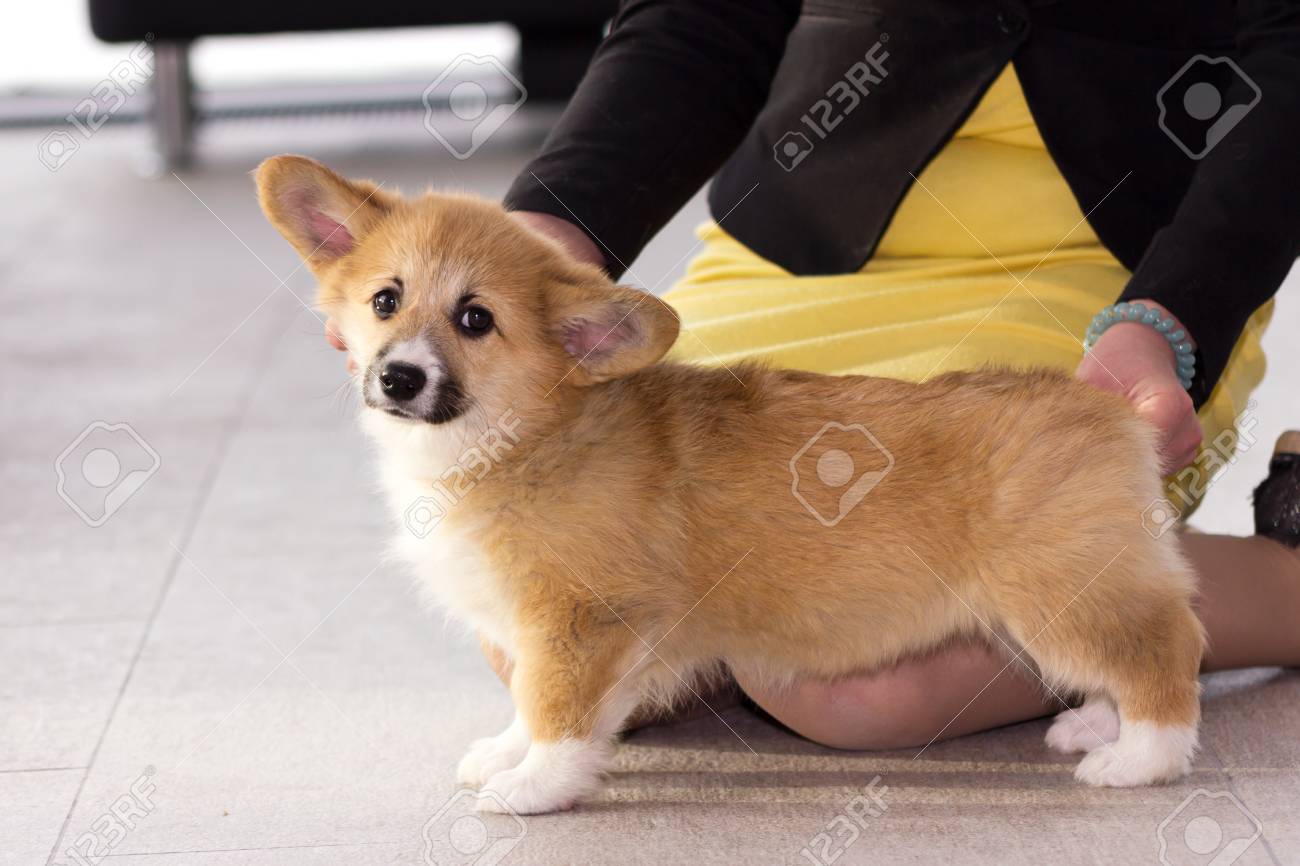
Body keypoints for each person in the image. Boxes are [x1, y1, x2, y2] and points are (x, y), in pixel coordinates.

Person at [327, 0, 1300, 748]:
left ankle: (1283, 584)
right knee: (569, 624)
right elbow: (705, 17)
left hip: (1122, 269)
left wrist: (1169, 317)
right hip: (806, 234)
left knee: (858, 688)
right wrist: (534, 246)